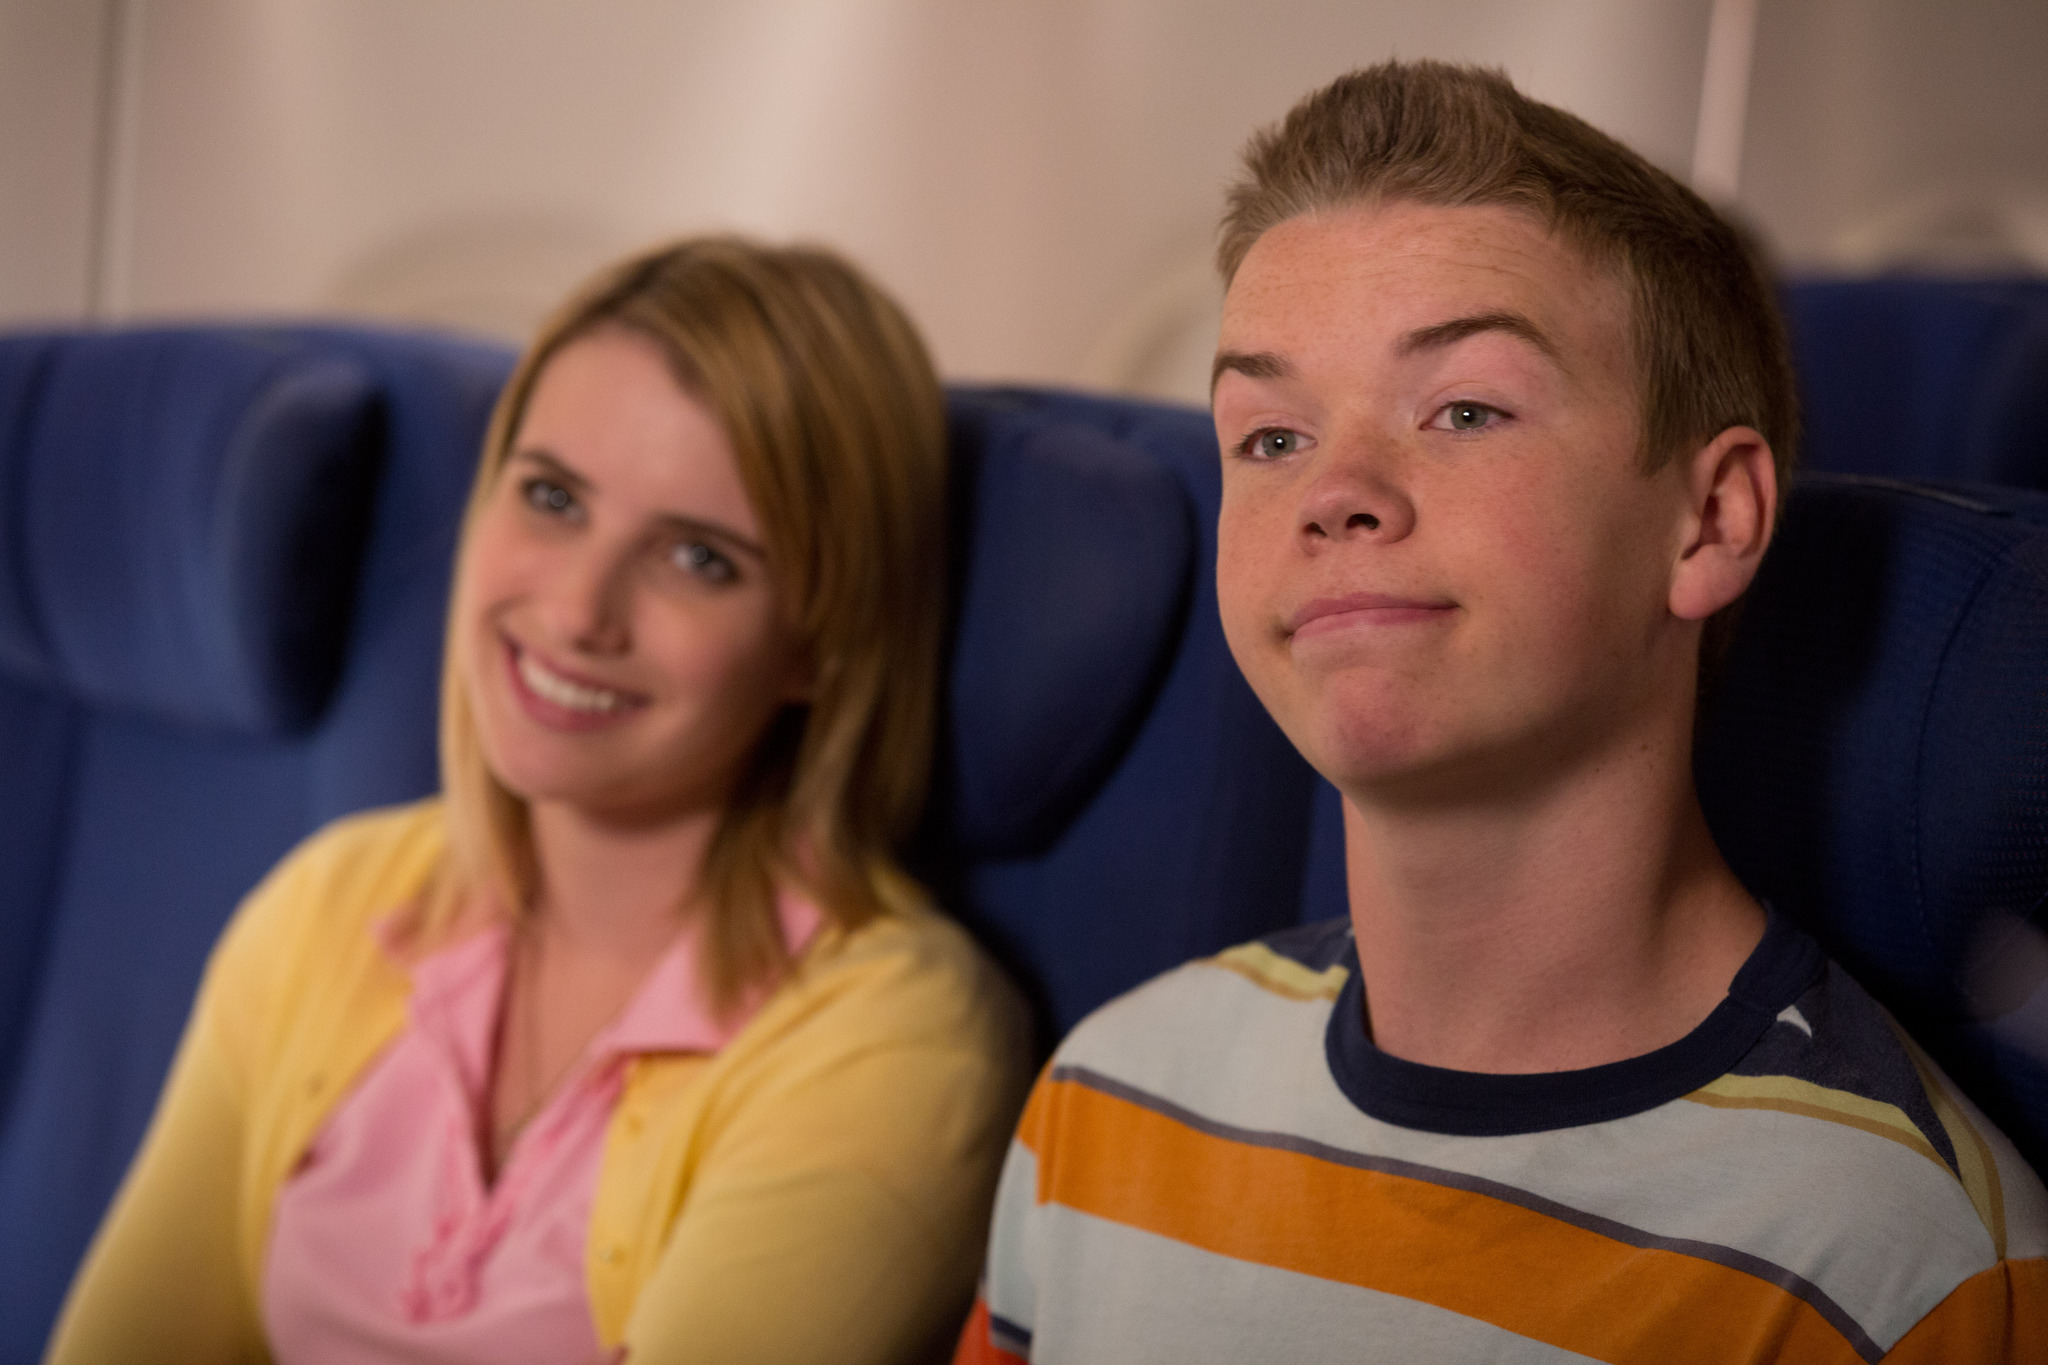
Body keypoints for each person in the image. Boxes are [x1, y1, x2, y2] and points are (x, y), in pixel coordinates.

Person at [957, 61, 2048, 1364]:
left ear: (1709, 520)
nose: (1335, 492)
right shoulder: (1107, 1102)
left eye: (1464, 410)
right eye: (1271, 437)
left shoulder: (1890, 1263)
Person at [48, 236, 1030, 1365]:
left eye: (698, 558)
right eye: (553, 497)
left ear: (820, 644)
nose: (575, 612)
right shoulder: (329, 905)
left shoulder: (894, 1043)